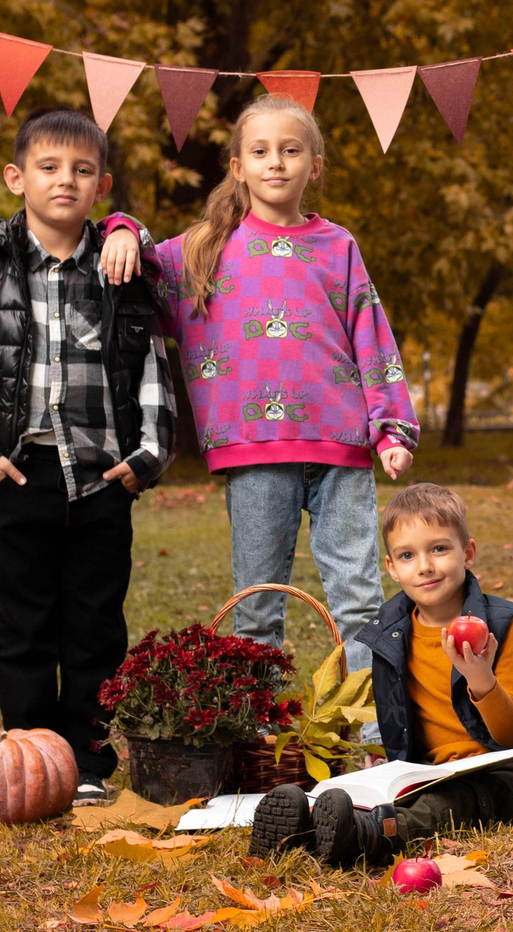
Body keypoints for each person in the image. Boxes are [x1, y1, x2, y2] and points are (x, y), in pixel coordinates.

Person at [99, 95, 415, 661]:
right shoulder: (202, 250)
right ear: (238, 166)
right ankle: (257, 718)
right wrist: (120, 227)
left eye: (290, 151)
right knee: (256, 610)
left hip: (341, 446)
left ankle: (371, 718)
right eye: (261, 151)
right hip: (252, 449)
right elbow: (137, 266)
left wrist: (391, 427)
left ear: (313, 166)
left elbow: (372, 336)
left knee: (360, 604)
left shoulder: (338, 245)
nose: (276, 162)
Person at [0, 108, 174, 807]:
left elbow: (151, 364)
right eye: (48, 167)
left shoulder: (121, 266)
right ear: (17, 178)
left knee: (96, 625)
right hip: (20, 471)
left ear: (102, 185)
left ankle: (88, 762)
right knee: (22, 624)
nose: (64, 180)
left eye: (81, 170)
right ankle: (33, 756)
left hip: (102, 475)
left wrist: (148, 455)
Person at [251, 483, 513, 866]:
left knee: (453, 802)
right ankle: (302, 832)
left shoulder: (501, 626)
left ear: (468, 553)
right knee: (386, 796)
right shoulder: (390, 636)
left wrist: (481, 677)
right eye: (407, 555)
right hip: (430, 773)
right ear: (392, 568)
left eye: (439, 549)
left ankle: (376, 836)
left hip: (512, 770)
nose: (425, 566)